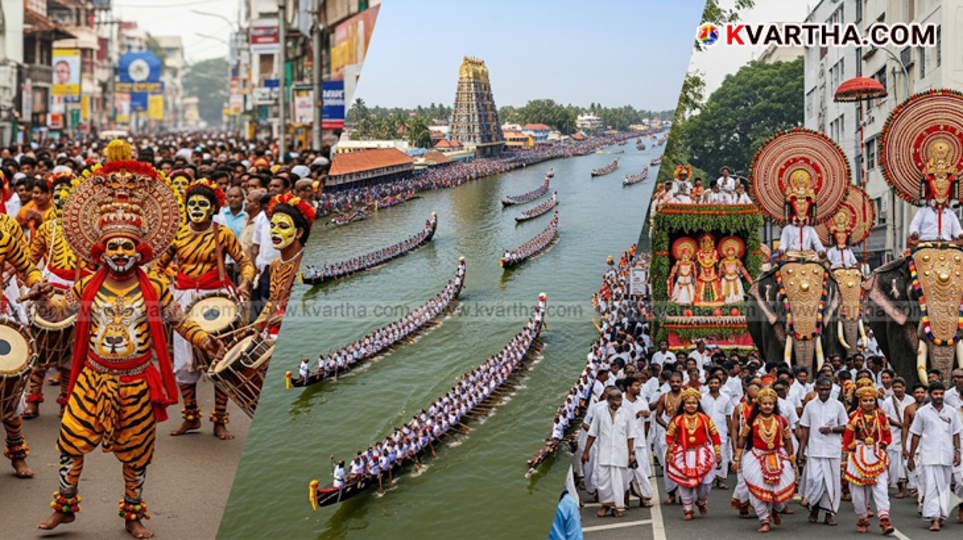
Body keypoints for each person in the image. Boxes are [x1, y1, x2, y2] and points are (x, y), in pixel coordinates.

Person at [35, 140, 224, 538]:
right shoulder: (87, 284)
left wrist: (204, 339)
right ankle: (65, 508)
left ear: (139, 251)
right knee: (70, 441)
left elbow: (180, 320)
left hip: (136, 382)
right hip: (91, 378)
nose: (120, 252)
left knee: (135, 456)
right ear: (101, 251)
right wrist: (42, 297)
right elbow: (57, 314)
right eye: (113, 246)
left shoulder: (155, 287)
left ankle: (132, 515)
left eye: (127, 246)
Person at [153, 178, 254, 440]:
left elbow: (246, 263)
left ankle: (219, 421)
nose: (196, 208)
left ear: (212, 208)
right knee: (184, 366)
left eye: (202, 204)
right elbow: (157, 269)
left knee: (221, 362)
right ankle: (191, 417)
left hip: (218, 301)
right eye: (192, 204)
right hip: (183, 302)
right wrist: (167, 288)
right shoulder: (177, 234)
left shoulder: (223, 234)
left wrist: (244, 284)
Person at [23, 173, 91, 418]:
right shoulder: (47, 228)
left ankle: (65, 401)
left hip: (77, 291)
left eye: (67, 191)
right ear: (53, 196)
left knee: (70, 350)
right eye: (59, 191)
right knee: (39, 346)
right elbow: (30, 261)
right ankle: (34, 402)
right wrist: (35, 283)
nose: (63, 196)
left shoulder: (88, 229)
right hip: (48, 289)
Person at [733, 387, 795, 533]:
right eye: (764, 403)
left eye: (770, 404)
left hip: (778, 457)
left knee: (780, 492)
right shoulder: (753, 421)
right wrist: (737, 458)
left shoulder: (781, 421)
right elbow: (742, 439)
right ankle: (764, 520)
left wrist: (791, 458)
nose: (767, 406)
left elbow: (788, 441)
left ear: (774, 405)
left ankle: (776, 510)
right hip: (756, 457)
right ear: (759, 405)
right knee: (757, 492)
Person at [907, 382, 963, 531]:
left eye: (941, 394)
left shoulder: (951, 412)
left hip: (946, 455)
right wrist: (911, 457)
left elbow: (956, 433)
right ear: (929, 395)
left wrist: (958, 451)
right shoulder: (922, 412)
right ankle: (934, 519)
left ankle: (941, 515)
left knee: (944, 487)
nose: (939, 397)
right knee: (931, 486)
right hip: (928, 455)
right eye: (935, 394)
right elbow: (916, 435)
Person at [843, 382, 894, 534]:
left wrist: (885, 443)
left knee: (881, 488)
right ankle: (863, 520)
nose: (868, 403)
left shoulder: (881, 416)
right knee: (858, 491)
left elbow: (887, 435)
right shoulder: (854, 416)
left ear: (875, 401)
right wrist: (847, 453)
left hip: (877, 454)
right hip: (858, 454)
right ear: (860, 402)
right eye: (865, 400)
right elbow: (847, 437)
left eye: (871, 400)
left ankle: (885, 521)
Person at [797, 377, 848, 526]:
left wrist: (831, 429)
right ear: (816, 388)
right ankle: (812, 506)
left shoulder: (838, 406)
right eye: (822, 389)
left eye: (827, 389)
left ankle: (828, 514)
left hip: (832, 450)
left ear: (831, 389)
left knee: (830, 484)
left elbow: (845, 427)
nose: (824, 392)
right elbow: (805, 428)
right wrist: (801, 450)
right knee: (814, 480)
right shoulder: (810, 406)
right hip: (814, 449)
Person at [666, 387, 722, 520]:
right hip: (683, 454)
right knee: (684, 483)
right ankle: (688, 510)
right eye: (688, 403)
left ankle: (701, 501)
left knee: (706, 483)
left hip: (702, 453)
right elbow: (669, 436)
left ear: (698, 404)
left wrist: (718, 452)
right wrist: (671, 449)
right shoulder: (677, 420)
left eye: (694, 403)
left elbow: (714, 435)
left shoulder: (704, 419)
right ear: (684, 405)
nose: (691, 405)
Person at [583, 388, 637, 518]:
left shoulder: (626, 414)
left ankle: (617, 507)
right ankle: (605, 506)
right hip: (604, 454)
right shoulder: (600, 413)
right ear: (607, 400)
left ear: (621, 401)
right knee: (604, 482)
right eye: (613, 400)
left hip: (621, 454)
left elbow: (631, 436)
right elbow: (592, 433)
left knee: (620, 482)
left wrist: (631, 454)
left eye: (618, 400)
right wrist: (586, 451)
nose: (615, 402)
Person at [881, 377, 913, 500]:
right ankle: (901, 488)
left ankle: (913, 487)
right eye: (895, 387)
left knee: (909, 459)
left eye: (900, 387)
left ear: (905, 387)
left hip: (909, 433)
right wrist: (899, 424)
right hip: (894, 433)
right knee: (895, 463)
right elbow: (886, 417)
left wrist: (906, 425)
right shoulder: (888, 401)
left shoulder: (911, 399)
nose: (898, 389)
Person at [624, 376, 653, 507]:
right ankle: (625, 500)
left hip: (640, 441)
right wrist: (636, 416)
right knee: (625, 471)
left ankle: (644, 498)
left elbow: (647, 422)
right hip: (624, 441)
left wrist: (644, 436)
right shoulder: (622, 402)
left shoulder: (642, 401)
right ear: (628, 387)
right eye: (636, 385)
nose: (639, 388)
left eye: (639, 386)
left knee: (640, 469)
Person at [702, 375, 733, 490]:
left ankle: (720, 481)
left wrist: (730, 431)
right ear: (708, 384)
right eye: (711, 383)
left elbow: (728, 416)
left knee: (722, 457)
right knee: (707, 456)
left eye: (716, 383)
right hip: (705, 432)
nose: (713, 385)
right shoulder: (702, 397)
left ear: (720, 385)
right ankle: (708, 480)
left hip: (722, 431)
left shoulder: (726, 398)